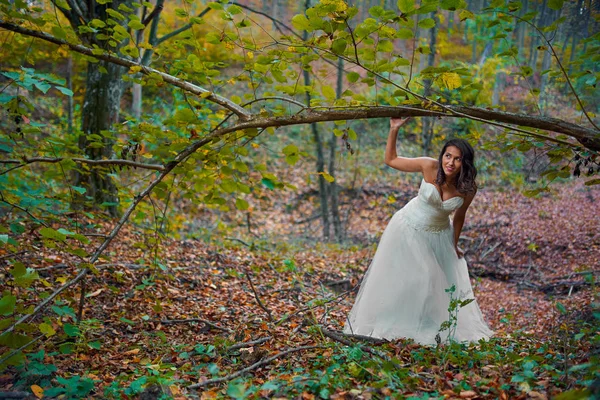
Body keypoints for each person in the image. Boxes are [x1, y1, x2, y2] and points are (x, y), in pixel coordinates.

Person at [343, 117, 493, 345]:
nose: (450, 163)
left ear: (466, 163)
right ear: (442, 155)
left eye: (458, 159)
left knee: (436, 285)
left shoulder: (468, 188)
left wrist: (454, 244)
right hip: (408, 227)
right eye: (448, 156)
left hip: (439, 234)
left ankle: (424, 326)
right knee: (418, 276)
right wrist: (394, 128)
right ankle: (390, 322)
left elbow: (459, 217)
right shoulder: (429, 166)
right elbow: (391, 159)